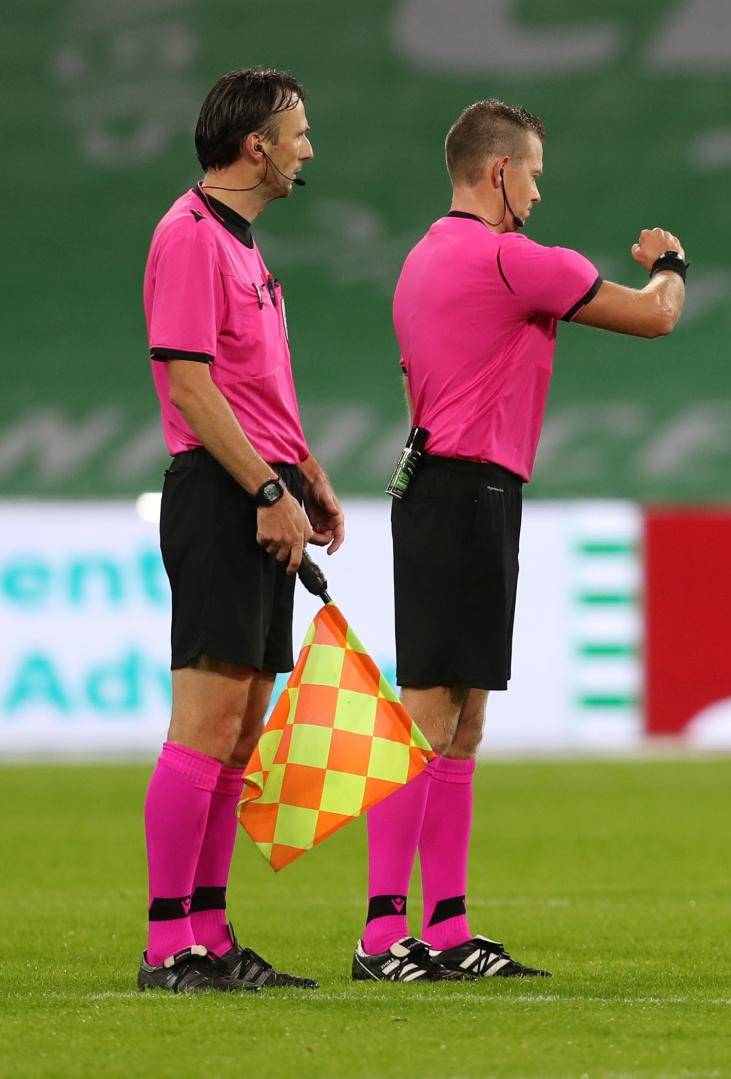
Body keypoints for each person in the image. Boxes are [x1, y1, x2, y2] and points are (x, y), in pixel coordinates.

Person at [353, 99, 688, 982]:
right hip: (464, 489)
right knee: (430, 714)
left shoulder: (423, 260)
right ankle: (384, 934)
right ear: (497, 171)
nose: (539, 191)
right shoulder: (514, 259)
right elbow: (657, 318)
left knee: (461, 718)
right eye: (532, 171)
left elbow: (408, 373)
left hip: (450, 484)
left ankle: (448, 924)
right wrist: (670, 265)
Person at [139, 67, 342, 991]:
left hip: (263, 488)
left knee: (244, 726)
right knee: (206, 721)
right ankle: (164, 945)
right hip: (224, 495)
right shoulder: (188, 237)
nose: (307, 148)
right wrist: (267, 491)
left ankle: (211, 937)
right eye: (296, 133)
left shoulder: (245, 247)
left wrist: (306, 474)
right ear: (255, 145)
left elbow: (255, 386)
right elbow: (189, 384)